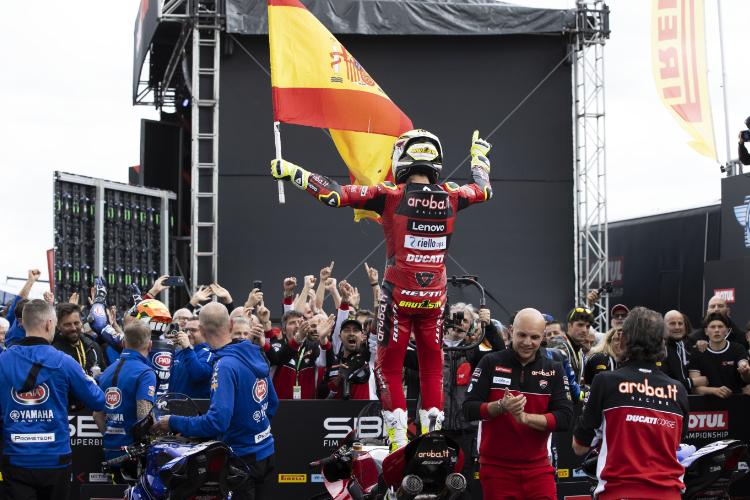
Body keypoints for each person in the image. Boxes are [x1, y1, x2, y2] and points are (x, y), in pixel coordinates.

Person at [272, 129, 492, 449]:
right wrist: (479, 156)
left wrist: (294, 171)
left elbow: (333, 194)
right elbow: (484, 189)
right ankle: (432, 437)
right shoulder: (452, 194)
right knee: (433, 364)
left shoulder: (389, 194)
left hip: (398, 295)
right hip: (434, 297)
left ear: (401, 157)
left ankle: (399, 440)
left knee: (388, 367)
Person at [150, 302, 278, 500]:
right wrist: (255, 432)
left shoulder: (225, 364)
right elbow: (272, 401)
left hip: (243, 459)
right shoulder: (253, 353)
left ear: (201, 330)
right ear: (230, 325)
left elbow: (218, 421)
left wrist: (172, 422)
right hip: (266, 452)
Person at [572, 307, 689, 500]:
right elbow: (676, 443)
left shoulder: (605, 382)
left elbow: (579, 447)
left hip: (620, 493)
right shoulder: (678, 389)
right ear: (662, 344)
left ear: (623, 340)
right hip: (669, 493)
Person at [0, 299, 105, 500]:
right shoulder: (65, 361)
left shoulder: (3, 360)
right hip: (55, 458)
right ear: (50, 324)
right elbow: (98, 401)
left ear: (22, 324)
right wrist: (91, 381)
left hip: (17, 457)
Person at [463, 308, 573, 500]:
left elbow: (565, 419)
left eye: (535, 337)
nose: (527, 343)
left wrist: (525, 418)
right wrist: (500, 406)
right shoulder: (491, 361)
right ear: (512, 330)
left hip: (539, 469)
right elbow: (468, 410)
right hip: (496, 470)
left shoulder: (554, 369)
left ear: (543, 337)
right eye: (522, 335)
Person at [406, 304, 503, 499]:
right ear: (444, 322)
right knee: (426, 485)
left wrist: (489, 326)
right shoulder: (426, 351)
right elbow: (392, 352)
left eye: (465, 320)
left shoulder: (475, 354)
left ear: (471, 327)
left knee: (461, 487)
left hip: (464, 432)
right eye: (454, 319)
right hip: (430, 430)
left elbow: (502, 354)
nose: (458, 324)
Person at [93, 321, 157, 483]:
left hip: (111, 452)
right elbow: (144, 416)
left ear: (123, 343)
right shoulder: (145, 372)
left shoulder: (106, 372)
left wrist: (111, 437)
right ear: (149, 346)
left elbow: (97, 415)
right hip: (135, 457)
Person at [688, 312, 750, 397]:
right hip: (707, 406)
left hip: (735, 404)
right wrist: (715, 391)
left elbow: (744, 366)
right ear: (706, 331)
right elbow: (694, 388)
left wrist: (744, 370)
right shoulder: (697, 353)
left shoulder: (737, 349)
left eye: (720, 326)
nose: (716, 330)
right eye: (712, 327)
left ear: (727, 331)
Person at [318, 316, 372, 399]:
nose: (351, 333)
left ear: (362, 337)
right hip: (338, 411)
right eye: (347, 330)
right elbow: (321, 396)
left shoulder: (368, 357)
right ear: (340, 337)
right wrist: (337, 380)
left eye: (356, 330)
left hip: (362, 411)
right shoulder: (333, 363)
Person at [52, 302, 107, 377]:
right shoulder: (54, 352)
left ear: (81, 322)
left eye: (76, 323)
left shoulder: (93, 347)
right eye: (67, 324)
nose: (73, 328)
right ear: (58, 326)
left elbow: (104, 374)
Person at [659, 310, 707, 391]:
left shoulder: (688, 348)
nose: (677, 327)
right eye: (672, 323)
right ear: (663, 326)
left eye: (680, 323)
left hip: (689, 401)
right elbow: (662, 384)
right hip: (670, 401)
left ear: (684, 325)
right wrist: (691, 382)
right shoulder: (660, 351)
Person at [170, 315, 214, 399]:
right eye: (185, 330)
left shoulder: (209, 353)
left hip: (194, 409)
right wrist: (167, 348)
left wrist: (187, 348)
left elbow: (199, 375)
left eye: (193, 330)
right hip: (170, 407)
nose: (187, 334)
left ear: (204, 332)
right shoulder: (177, 353)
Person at [549, 307, 593, 387]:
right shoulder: (559, 345)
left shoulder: (579, 349)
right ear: (569, 326)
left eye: (588, 326)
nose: (584, 330)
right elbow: (559, 382)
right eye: (580, 325)